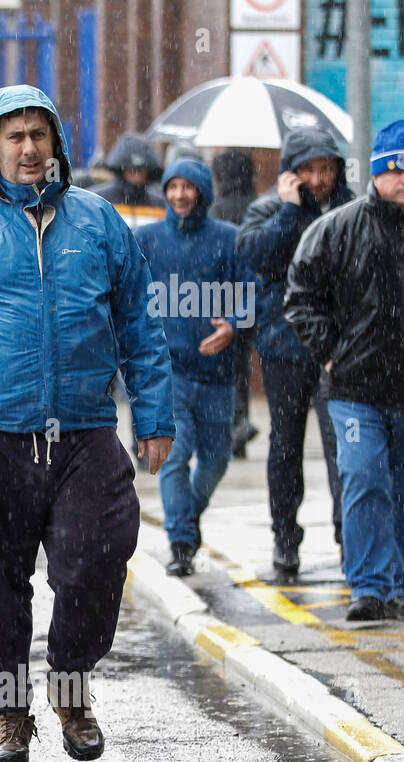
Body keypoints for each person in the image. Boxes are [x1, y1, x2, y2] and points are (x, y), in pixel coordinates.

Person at [0, 85, 174, 762]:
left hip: (83, 432)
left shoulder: (99, 222)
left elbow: (140, 324)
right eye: (14, 136)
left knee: (99, 554)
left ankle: (71, 688)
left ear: (57, 145)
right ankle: (11, 715)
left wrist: (154, 413)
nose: (28, 148)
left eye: (38, 136)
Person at [286, 120, 404, 622]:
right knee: (363, 480)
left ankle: (396, 584)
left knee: (398, 486)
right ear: (378, 173)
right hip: (354, 389)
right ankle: (370, 585)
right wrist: (332, 353)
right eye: (395, 170)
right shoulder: (337, 228)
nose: (403, 179)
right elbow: (300, 297)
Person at [236, 127, 353, 577]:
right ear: (291, 172)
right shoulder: (269, 208)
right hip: (285, 349)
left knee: (343, 450)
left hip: (338, 351)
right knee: (285, 449)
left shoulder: (350, 207)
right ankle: (285, 538)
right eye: (309, 170)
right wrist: (289, 210)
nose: (319, 179)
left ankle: (351, 541)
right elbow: (256, 256)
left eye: (326, 169)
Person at [134, 158, 245, 576]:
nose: (180, 195)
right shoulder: (145, 240)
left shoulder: (229, 239)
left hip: (218, 372)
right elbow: (127, 295)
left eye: (188, 187)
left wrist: (234, 324)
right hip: (169, 370)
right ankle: (181, 542)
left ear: (203, 192)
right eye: (173, 186)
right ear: (165, 191)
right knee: (175, 457)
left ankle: (187, 518)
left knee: (216, 459)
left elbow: (250, 293)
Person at [211, 149, 260, 459]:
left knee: (223, 367)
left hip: (217, 299)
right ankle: (239, 422)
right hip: (251, 296)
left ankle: (230, 425)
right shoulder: (258, 209)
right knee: (241, 365)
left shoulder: (215, 212)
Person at [91, 132, 166, 229]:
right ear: (121, 169)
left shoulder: (160, 204)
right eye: (131, 169)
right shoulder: (100, 200)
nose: (136, 174)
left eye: (141, 170)